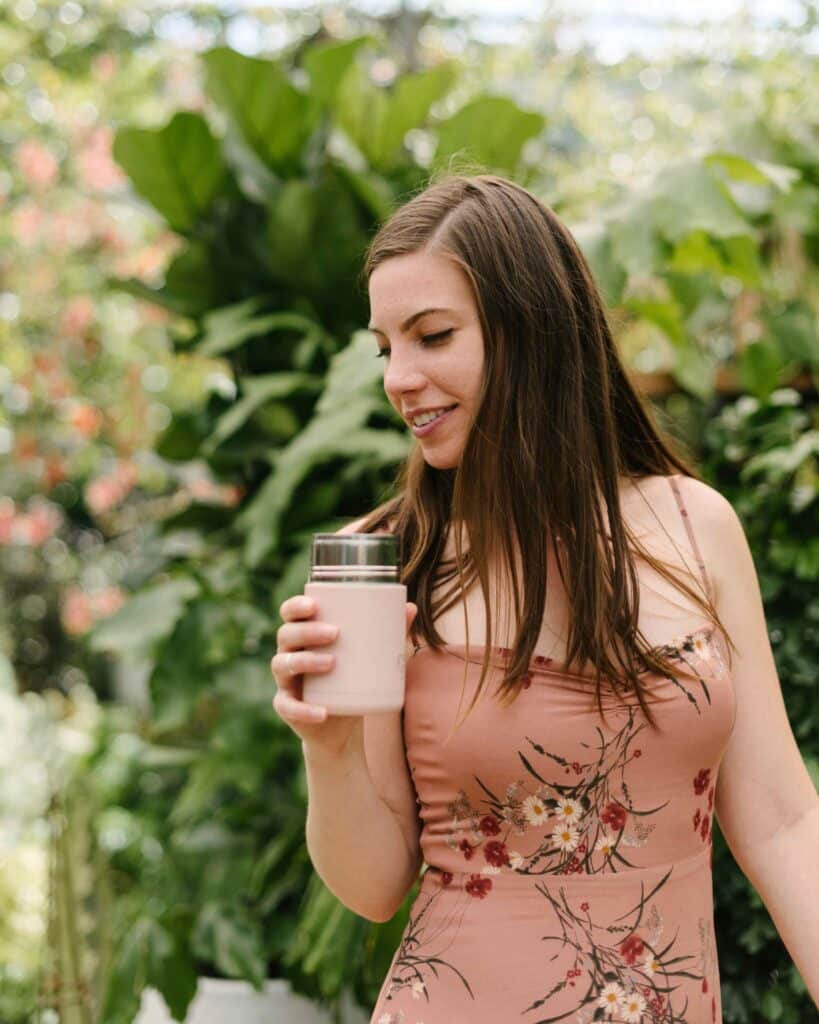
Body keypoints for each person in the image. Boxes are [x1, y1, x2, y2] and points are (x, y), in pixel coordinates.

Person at [270, 175, 818, 1023]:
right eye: (386, 348)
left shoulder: (691, 526)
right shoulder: (385, 564)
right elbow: (374, 886)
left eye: (432, 336)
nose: (398, 378)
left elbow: (782, 823)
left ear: (533, 330)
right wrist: (328, 746)